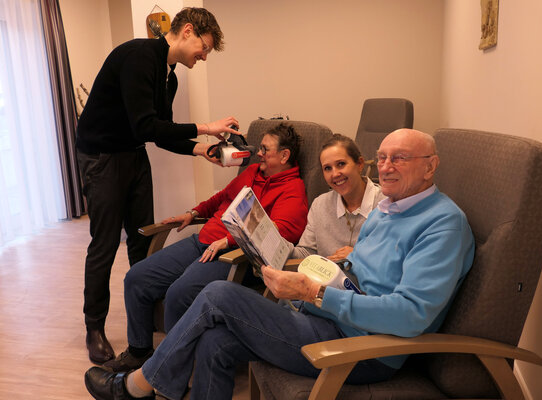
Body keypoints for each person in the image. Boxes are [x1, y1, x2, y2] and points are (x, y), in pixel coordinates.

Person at [84, 128, 475, 400]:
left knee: (218, 294)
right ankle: (148, 384)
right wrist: (307, 281)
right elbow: (358, 268)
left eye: (400, 159)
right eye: (384, 157)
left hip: (365, 347)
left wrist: (316, 294)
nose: (387, 167)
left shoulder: (442, 224)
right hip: (330, 318)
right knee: (215, 342)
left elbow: (411, 315)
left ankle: (138, 386)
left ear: (430, 166)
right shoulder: (390, 207)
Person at [76, 7, 241, 364]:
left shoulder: (171, 77)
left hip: (133, 154)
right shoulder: (138, 57)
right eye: (204, 47)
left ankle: (144, 313)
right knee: (105, 244)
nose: (204, 56)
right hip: (102, 156)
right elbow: (145, 126)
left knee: (141, 237)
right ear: (187, 31)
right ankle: (94, 327)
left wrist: (202, 149)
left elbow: (159, 134)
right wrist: (205, 127)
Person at [101, 123, 308, 374]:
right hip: (203, 240)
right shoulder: (253, 170)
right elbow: (223, 197)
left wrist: (229, 241)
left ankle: (171, 373)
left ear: (284, 156)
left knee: (180, 294)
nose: (259, 153)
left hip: (232, 256)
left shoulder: (293, 191)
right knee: (137, 278)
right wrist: (194, 212)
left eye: (265, 149)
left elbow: (278, 236)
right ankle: (139, 351)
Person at [289, 133, 385, 261]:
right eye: (327, 168)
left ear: (360, 164)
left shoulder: (388, 204)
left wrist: (358, 255)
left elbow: (393, 260)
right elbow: (307, 254)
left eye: (341, 164)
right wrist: (275, 244)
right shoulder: (320, 205)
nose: (334, 174)